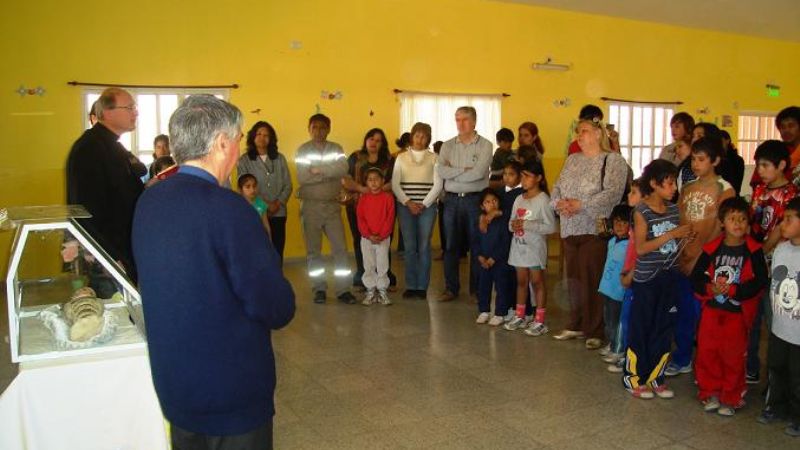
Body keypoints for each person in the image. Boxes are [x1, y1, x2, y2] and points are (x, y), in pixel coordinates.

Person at [132, 95, 295, 450]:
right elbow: (275, 306)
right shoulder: (230, 210)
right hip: (230, 389)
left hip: (176, 383)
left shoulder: (149, 201)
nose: (238, 147)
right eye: (238, 138)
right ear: (222, 143)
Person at [551, 117, 629, 350]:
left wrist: (581, 205)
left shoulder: (613, 160)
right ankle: (576, 323)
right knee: (574, 279)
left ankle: (595, 329)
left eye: (584, 131)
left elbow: (613, 193)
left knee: (592, 278)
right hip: (569, 226)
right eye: (578, 131)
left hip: (594, 228)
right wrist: (559, 203)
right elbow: (557, 186)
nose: (579, 135)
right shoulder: (572, 159)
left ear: (598, 133)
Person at [690, 197, 767, 417]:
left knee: (733, 356)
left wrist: (735, 291)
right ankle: (710, 391)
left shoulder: (754, 250)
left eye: (742, 219)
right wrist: (709, 288)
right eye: (732, 219)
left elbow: (760, 281)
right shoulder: (711, 248)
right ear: (722, 222)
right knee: (707, 352)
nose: (738, 223)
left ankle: (732, 396)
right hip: (712, 311)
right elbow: (696, 277)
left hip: (737, 314)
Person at [623, 159, 693, 399]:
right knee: (641, 328)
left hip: (669, 277)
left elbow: (674, 245)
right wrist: (672, 234)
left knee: (664, 328)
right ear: (654, 183)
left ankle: (656, 376)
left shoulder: (674, 210)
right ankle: (634, 378)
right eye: (669, 183)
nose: (674, 188)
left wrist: (683, 239)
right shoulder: (641, 211)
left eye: (675, 183)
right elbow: (641, 248)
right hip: (647, 280)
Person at [666, 137, 735, 377]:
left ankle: (707, 365)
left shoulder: (724, 189)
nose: (695, 164)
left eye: (701, 159)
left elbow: (720, 228)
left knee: (704, 315)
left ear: (715, 161)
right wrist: (681, 251)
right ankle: (683, 357)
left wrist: (701, 257)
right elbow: (680, 220)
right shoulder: (687, 188)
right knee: (683, 310)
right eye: (693, 159)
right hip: (684, 256)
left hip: (706, 261)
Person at [66, 87, 144, 281]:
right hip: (106, 255)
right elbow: (86, 210)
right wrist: (111, 257)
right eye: (130, 107)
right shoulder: (90, 148)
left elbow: (121, 192)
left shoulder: (112, 145)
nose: (135, 113)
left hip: (121, 247)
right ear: (108, 112)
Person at [746, 140, 799, 383]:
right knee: (752, 318)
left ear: (782, 165)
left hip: (777, 264)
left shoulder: (791, 194)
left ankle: (777, 379)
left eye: (766, 165)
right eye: (758, 165)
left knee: (774, 317)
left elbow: (779, 229)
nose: (760, 170)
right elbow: (752, 221)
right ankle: (751, 367)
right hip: (755, 259)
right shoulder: (759, 191)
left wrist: (762, 253)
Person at [295, 114, 356, 304]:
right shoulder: (303, 150)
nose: (318, 131)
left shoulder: (336, 148)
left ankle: (343, 290)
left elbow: (343, 168)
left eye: (322, 127)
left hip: (332, 207)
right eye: (314, 127)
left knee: (340, 249)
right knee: (314, 251)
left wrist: (319, 170)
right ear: (309, 129)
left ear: (328, 129)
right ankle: (319, 288)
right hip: (310, 206)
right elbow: (303, 177)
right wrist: (330, 172)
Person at [437, 106, 494, 302]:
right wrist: (464, 169)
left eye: (465, 119)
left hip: (475, 200)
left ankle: (476, 290)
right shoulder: (447, 145)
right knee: (450, 246)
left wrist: (454, 171)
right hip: (451, 200)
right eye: (457, 119)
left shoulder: (485, 145)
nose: (460, 124)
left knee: (476, 245)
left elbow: (479, 173)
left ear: (474, 122)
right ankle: (451, 288)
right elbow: (441, 171)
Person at [757, 197, 800, 437]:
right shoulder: (781, 250)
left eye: (789, 219)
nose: (782, 224)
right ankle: (775, 407)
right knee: (776, 367)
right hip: (780, 326)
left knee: (797, 374)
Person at [504, 160, 556, 335]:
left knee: (537, 282)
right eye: (522, 176)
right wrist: (514, 226)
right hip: (518, 248)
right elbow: (511, 223)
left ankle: (539, 320)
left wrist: (527, 225)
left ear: (538, 178)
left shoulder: (543, 200)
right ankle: (520, 315)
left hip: (534, 250)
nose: (523, 180)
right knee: (521, 282)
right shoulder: (519, 198)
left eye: (528, 176)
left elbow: (550, 227)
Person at [343, 128, 398, 291]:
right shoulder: (355, 157)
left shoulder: (389, 160)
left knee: (383, 241)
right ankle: (363, 278)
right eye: (371, 139)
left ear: (383, 144)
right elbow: (345, 179)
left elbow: (395, 181)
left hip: (383, 208)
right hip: (358, 207)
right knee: (361, 241)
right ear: (366, 140)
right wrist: (362, 189)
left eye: (378, 140)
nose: (374, 142)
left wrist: (376, 189)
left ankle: (385, 279)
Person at [392, 122, 442, 300]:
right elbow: (395, 184)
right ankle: (411, 285)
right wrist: (408, 202)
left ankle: (422, 287)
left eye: (424, 136)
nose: (420, 139)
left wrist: (424, 204)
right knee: (410, 247)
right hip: (405, 207)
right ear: (412, 136)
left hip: (427, 208)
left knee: (424, 246)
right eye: (417, 135)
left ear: (428, 139)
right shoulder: (401, 157)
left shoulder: (435, 157)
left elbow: (438, 184)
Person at [237, 121, 293, 264]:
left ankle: (277, 276)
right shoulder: (244, 160)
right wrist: (266, 204)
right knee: (258, 250)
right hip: (256, 211)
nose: (262, 138)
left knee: (277, 248)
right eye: (259, 134)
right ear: (253, 137)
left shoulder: (280, 159)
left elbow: (288, 185)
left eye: (266, 135)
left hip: (279, 211)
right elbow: (244, 187)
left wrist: (278, 203)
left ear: (271, 138)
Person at [607, 179, 643, 373]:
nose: (629, 195)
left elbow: (640, 253)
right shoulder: (631, 226)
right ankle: (620, 350)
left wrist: (631, 273)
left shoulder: (642, 224)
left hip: (635, 281)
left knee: (627, 320)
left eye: (634, 192)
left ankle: (625, 353)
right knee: (621, 318)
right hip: (625, 281)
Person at [597, 204, 632, 365]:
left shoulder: (630, 245)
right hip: (607, 288)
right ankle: (612, 343)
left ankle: (618, 349)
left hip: (619, 291)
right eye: (617, 222)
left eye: (624, 223)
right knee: (609, 319)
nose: (619, 226)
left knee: (618, 322)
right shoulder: (611, 241)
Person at [356, 167, 395, 306]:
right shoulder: (363, 198)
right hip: (367, 239)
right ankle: (370, 291)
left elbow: (390, 218)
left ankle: (382, 291)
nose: (373, 182)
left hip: (383, 238)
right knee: (369, 264)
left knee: (383, 264)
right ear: (366, 182)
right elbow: (360, 218)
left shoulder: (388, 198)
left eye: (376, 179)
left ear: (383, 181)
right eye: (370, 180)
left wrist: (382, 235)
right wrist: (368, 235)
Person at [474, 188, 512, 324]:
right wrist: (480, 256)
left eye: (495, 201)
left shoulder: (503, 220)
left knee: (501, 287)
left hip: (499, 261)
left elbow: (505, 243)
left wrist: (494, 258)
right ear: (482, 206)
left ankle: (500, 313)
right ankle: (484, 311)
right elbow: (475, 241)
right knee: (483, 286)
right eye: (488, 202)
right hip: (484, 261)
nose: (492, 204)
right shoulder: (480, 221)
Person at [750, 106, 800, 188]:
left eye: (791, 126)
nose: (786, 130)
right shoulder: (773, 150)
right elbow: (757, 184)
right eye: (782, 127)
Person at [719, 130, 745, 196]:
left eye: (720, 140)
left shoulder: (737, 160)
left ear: (727, 140)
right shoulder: (715, 158)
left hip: (731, 195)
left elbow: (736, 185)